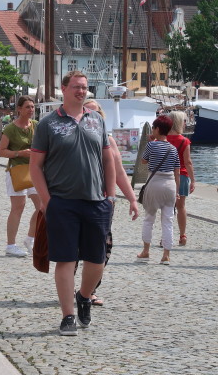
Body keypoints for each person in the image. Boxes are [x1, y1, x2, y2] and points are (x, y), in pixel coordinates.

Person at [29, 71, 116, 336]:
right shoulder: (48, 124)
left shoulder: (97, 122)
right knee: (65, 260)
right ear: (63, 89)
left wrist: (110, 196)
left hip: (96, 201)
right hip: (63, 202)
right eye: (76, 87)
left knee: (96, 259)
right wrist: (47, 201)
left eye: (85, 88)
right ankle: (67, 316)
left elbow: (108, 159)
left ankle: (84, 295)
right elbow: (35, 166)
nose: (81, 91)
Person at [78, 100, 140, 306]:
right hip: (77, 199)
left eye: (96, 113)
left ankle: (89, 290)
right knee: (74, 248)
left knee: (102, 247)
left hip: (103, 202)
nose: (92, 118)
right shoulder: (73, 138)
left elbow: (120, 173)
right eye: (88, 113)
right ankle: (70, 289)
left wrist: (132, 198)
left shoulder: (110, 142)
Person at [0, 96, 40, 257]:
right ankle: (10, 245)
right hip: (16, 171)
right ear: (19, 109)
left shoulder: (36, 126)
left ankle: (30, 238)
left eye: (33, 107)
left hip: (35, 170)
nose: (31, 110)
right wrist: (19, 153)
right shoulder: (10, 129)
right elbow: (1, 152)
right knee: (18, 207)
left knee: (43, 207)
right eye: (28, 107)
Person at [136, 115, 180, 265]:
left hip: (154, 183)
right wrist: (178, 191)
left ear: (157, 129)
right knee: (168, 221)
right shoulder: (173, 149)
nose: (152, 130)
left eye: (153, 128)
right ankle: (166, 255)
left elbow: (143, 161)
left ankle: (146, 251)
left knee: (149, 218)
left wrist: (150, 143)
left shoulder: (151, 145)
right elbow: (177, 171)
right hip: (170, 185)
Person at [167, 111, 195, 246]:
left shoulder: (162, 139)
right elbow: (188, 162)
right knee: (181, 207)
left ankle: (166, 237)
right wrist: (193, 180)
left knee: (167, 208)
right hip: (182, 176)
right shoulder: (184, 141)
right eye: (184, 121)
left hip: (165, 176)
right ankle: (182, 235)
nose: (185, 123)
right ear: (179, 123)